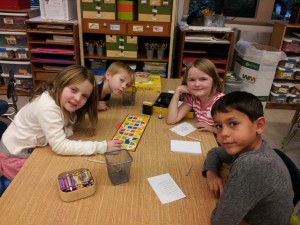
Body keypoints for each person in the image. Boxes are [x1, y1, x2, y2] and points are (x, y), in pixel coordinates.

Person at [0, 65, 122, 189]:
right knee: (46, 186)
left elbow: (65, 124)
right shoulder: (47, 107)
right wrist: (102, 146)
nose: (78, 98)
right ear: (60, 84)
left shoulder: (62, 99)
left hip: (32, 145)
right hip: (14, 155)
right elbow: (60, 146)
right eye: (74, 90)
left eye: (84, 96)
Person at [202, 91, 294, 225]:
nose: (223, 134)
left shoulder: (252, 164)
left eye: (233, 124)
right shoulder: (247, 145)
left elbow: (221, 221)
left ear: (259, 125)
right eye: (218, 126)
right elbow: (214, 153)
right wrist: (212, 173)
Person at [167, 58, 224, 134]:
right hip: (206, 138)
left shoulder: (221, 103)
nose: (197, 84)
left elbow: (232, 132)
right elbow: (171, 120)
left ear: (214, 81)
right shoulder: (193, 99)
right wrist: (178, 91)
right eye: (192, 80)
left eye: (203, 79)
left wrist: (212, 129)